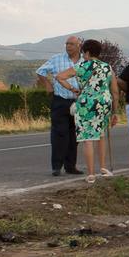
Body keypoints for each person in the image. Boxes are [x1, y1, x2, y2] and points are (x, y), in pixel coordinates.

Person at [57, 38, 116, 179]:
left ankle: (91, 174)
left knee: (87, 139)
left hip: (86, 104)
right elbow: (115, 91)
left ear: (88, 53)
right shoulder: (108, 67)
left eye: (84, 53)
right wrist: (115, 111)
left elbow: (59, 77)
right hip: (104, 103)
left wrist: (73, 89)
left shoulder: (82, 66)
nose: (83, 55)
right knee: (101, 136)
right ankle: (103, 168)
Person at [36, 35, 83, 176]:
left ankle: (71, 166)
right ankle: (56, 166)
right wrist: (47, 85)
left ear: (79, 46)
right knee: (59, 134)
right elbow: (40, 71)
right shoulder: (57, 59)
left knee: (74, 136)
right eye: (67, 44)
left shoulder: (84, 61)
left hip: (78, 102)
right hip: (61, 101)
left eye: (72, 44)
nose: (68, 46)